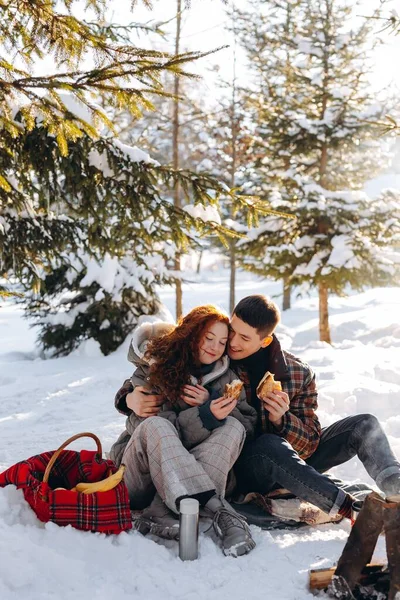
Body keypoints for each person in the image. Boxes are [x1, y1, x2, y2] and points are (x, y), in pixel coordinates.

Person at [228, 295, 400, 517]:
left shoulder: (298, 374)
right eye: (232, 330)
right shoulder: (222, 365)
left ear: (265, 341)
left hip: (296, 465)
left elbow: (309, 445)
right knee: (270, 445)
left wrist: (282, 421)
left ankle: (396, 490)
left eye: (244, 337)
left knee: (365, 424)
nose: (232, 342)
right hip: (247, 470)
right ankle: (349, 509)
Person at [110, 305, 257, 556]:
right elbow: (143, 429)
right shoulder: (154, 367)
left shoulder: (227, 378)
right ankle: (221, 511)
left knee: (233, 424)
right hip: (140, 477)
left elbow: (246, 427)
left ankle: (162, 512)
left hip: (192, 474)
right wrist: (204, 416)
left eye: (222, 342)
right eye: (208, 337)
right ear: (191, 333)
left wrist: (210, 404)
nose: (214, 346)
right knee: (156, 425)